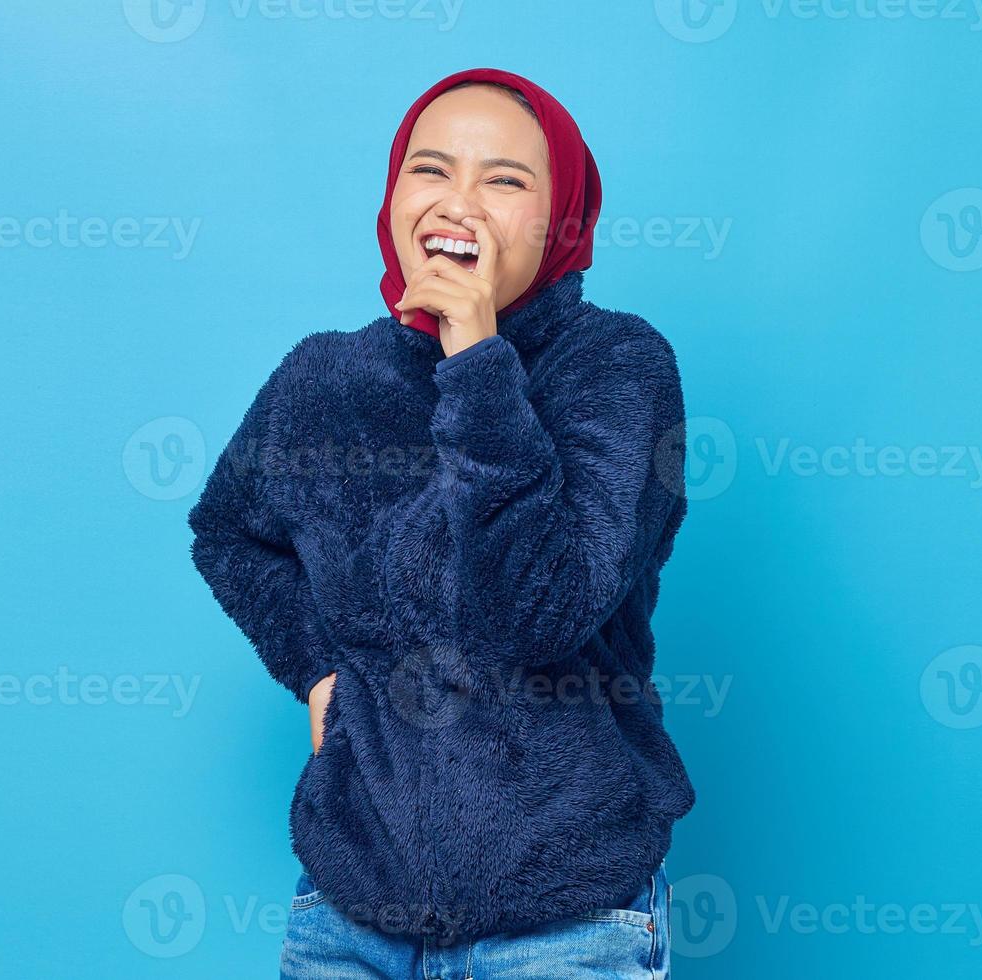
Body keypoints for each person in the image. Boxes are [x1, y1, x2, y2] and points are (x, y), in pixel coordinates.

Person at [187, 66, 695, 978]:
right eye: (430, 171)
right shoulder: (324, 380)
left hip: (568, 922)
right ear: (392, 199)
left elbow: (537, 612)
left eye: (505, 180)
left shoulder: (618, 369)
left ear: (562, 219)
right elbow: (227, 530)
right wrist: (316, 667)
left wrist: (477, 357)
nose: (458, 203)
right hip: (350, 915)